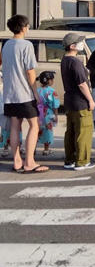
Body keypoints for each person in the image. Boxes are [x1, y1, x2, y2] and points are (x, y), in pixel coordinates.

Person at [3, 14, 48, 174]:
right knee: (34, 125)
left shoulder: (6, 45)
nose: (28, 28)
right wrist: (35, 91)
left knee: (15, 126)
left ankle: (17, 161)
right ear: (23, 28)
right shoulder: (26, 45)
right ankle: (29, 162)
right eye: (28, 26)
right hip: (24, 94)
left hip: (10, 93)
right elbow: (30, 71)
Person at [61, 32, 95, 170]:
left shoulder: (65, 60)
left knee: (71, 132)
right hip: (80, 101)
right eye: (79, 42)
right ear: (73, 46)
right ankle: (82, 161)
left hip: (69, 100)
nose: (82, 44)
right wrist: (90, 100)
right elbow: (82, 84)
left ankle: (69, 159)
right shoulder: (76, 62)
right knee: (83, 132)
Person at [36, 71, 60, 156]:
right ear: (49, 81)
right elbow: (55, 104)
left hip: (37, 113)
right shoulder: (52, 91)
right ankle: (46, 149)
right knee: (47, 130)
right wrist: (56, 115)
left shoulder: (37, 90)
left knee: (36, 130)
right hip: (48, 113)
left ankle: (33, 148)